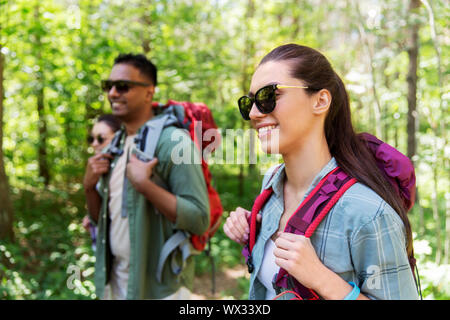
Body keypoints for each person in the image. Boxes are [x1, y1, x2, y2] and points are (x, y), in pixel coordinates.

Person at [223, 44, 419, 300]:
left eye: (268, 95)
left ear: (320, 101)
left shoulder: (369, 214)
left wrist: (321, 278)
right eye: (249, 102)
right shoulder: (271, 184)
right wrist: (253, 232)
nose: (253, 113)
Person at [83, 53, 210, 300]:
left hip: (160, 289)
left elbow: (199, 218)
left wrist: (145, 186)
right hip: (116, 282)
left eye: (123, 86)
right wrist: (89, 187)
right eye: (108, 86)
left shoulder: (174, 142)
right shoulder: (114, 147)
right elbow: (102, 222)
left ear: (149, 92)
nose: (112, 93)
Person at [82, 114, 122, 250]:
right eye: (91, 139)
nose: (94, 144)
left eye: (101, 139)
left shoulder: (126, 169)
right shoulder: (98, 171)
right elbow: (100, 217)